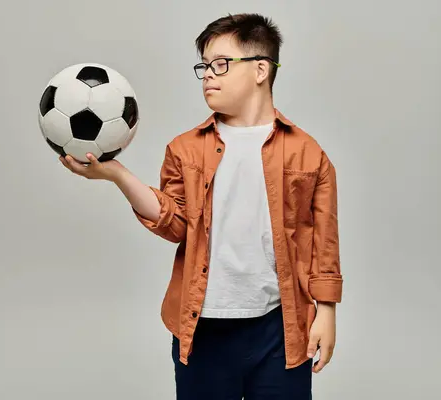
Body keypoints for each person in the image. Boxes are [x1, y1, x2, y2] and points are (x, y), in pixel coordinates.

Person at [60, 12, 343, 400]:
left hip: (279, 329)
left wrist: (326, 311)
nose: (208, 75)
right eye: (204, 66)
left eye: (221, 65)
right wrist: (118, 176)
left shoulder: (308, 154)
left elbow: (323, 242)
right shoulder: (185, 149)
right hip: (201, 329)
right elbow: (174, 224)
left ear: (261, 70)